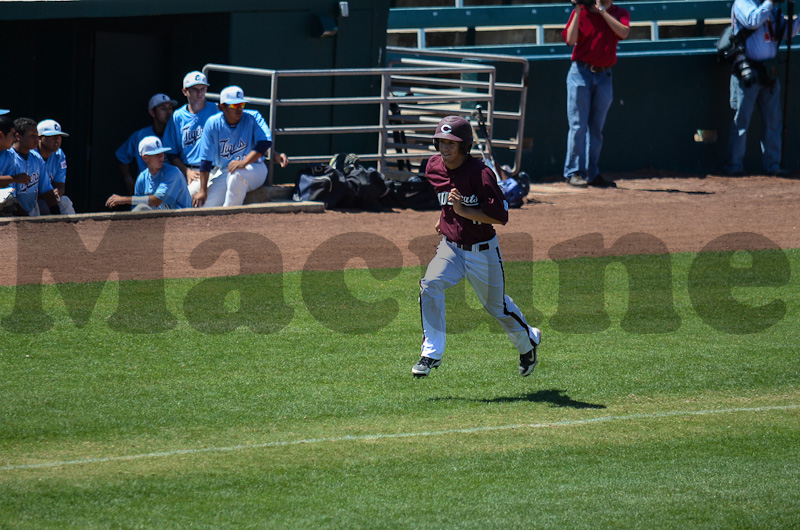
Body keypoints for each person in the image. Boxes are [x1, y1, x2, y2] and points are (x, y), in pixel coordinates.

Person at [412, 115, 541, 378]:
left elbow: (500, 217)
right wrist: (445, 215)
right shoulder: (433, 166)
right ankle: (431, 353)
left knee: (497, 308)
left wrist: (463, 210)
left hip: (483, 251)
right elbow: (445, 195)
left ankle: (527, 342)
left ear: (465, 146)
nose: (445, 148)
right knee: (429, 285)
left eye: (451, 143)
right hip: (450, 248)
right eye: (441, 142)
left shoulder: (481, 174)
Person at [723, 0, 800, 177]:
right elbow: (753, 20)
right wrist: (770, 2)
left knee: (773, 121)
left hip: (769, 71)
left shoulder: (771, 8)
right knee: (741, 121)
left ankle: (773, 165)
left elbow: (788, 32)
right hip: (747, 71)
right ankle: (734, 165)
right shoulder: (743, 3)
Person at [561, 0, 630, 188]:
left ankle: (592, 173)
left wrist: (602, 12)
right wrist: (577, 10)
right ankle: (574, 172)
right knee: (578, 126)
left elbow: (623, 32)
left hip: (604, 75)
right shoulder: (582, 12)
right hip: (580, 73)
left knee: (596, 129)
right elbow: (570, 40)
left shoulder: (619, 12)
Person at [192, 85, 272, 207]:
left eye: (242, 105)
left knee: (236, 176)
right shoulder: (213, 123)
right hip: (226, 171)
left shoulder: (253, 117)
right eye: (235, 105)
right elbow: (205, 160)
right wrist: (203, 190)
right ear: (222, 107)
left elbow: (265, 142)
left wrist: (244, 162)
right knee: (205, 205)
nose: (239, 109)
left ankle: (229, 217)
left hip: (255, 168)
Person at [162, 71, 218, 189]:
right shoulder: (178, 116)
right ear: (185, 91)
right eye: (194, 89)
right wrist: (186, 171)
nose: (199, 93)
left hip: (214, 170)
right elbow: (171, 153)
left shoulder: (217, 110)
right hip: (187, 171)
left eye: (203, 88)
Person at [105, 136, 191, 211]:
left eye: (162, 152)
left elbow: (157, 200)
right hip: (160, 223)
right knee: (139, 210)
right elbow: (136, 208)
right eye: (156, 154)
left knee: (142, 209)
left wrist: (124, 199)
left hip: (181, 221)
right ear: (145, 158)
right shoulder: (142, 178)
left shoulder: (172, 172)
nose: (161, 157)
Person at [116, 93, 177, 193]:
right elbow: (121, 157)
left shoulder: (177, 133)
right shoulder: (140, 136)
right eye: (163, 108)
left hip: (170, 187)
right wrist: (128, 180)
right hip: (147, 187)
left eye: (170, 108)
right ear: (152, 112)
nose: (168, 112)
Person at [10, 118, 60, 216]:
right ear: (18, 136)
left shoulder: (36, 157)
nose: (37, 139)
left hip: (32, 211)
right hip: (11, 216)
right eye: (32, 136)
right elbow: (9, 198)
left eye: (37, 136)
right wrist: (26, 219)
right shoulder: (8, 158)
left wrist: (57, 214)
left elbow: (47, 190)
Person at [36, 119, 76, 215]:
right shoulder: (30, 155)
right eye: (52, 137)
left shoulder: (59, 154)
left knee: (65, 201)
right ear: (40, 138)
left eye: (59, 136)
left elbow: (60, 184)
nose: (57, 140)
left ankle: (74, 229)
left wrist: (57, 192)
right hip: (31, 201)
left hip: (47, 200)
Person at [0, 114, 28, 215]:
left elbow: (6, 188)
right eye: (12, 135)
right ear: (1, 135)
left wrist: (24, 215)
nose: (15, 139)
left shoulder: (9, 154)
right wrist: (15, 178)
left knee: (9, 200)